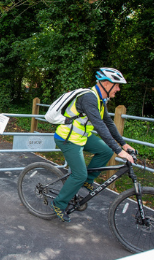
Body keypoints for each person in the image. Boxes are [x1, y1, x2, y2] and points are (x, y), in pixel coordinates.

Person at [52, 67, 136, 222]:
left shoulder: (99, 99)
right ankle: (59, 203)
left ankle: (87, 180)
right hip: (68, 138)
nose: (118, 89)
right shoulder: (89, 98)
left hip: (82, 137)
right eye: (116, 85)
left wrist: (124, 145)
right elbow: (100, 126)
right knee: (79, 174)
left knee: (105, 151)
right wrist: (119, 151)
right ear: (105, 83)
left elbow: (108, 123)